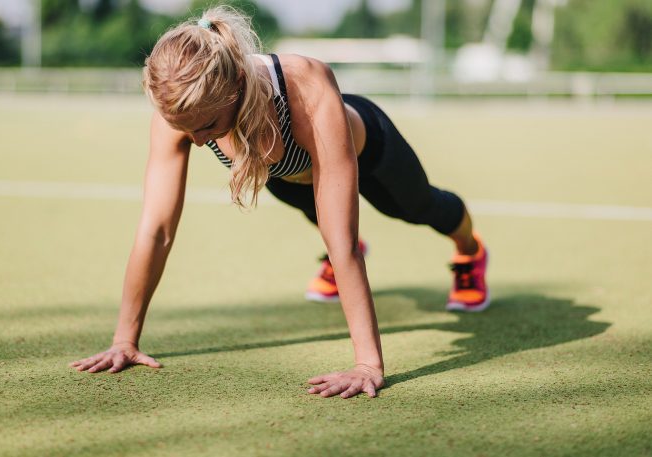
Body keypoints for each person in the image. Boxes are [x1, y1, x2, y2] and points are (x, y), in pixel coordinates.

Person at [70, 6, 489, 399]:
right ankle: (335, 265)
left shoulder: (305, 84)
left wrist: (367, 365)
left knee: (417, 210)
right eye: (185, 129)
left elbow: (341, 239)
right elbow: (157, 229)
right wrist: (124, 340)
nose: (196, 141)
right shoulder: (182, 110)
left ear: (235, 88)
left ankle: (471, 252)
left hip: (371, 152)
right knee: (322, 223)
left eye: (208, 127)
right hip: (285, 177)